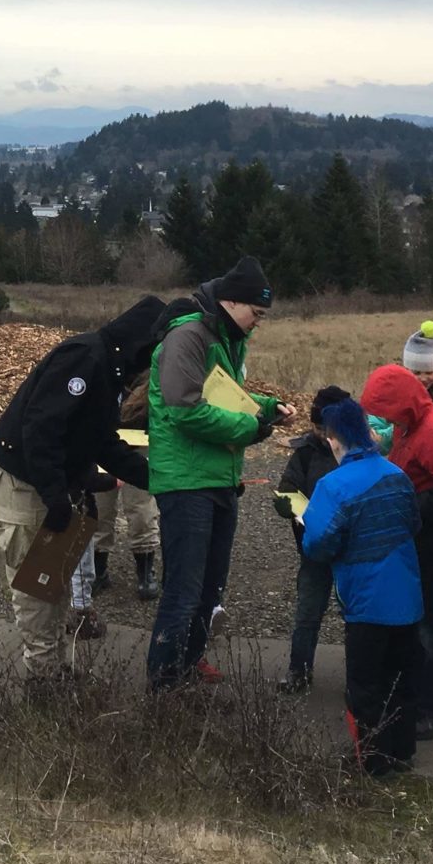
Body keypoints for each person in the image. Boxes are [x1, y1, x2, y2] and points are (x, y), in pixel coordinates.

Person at [0, 295, 166, 680]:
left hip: (51, 481)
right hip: (24, 480)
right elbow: (41, 428)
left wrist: (159, 479)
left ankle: (58, 668)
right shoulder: (85, 358)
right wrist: (55, 496)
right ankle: (43, 678)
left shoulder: (110, 370)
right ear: (144, 343)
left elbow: (102, 442)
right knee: (37, 586)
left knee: (57, 581)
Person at [144, 256, 290, 691]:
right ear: (232, 302)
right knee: (184, 590)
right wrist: (251, 428)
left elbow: (226, 395)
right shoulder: (188, 336)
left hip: (219, 478)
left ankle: (190, 663)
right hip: (186, 481)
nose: (258, 323)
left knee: (211, 587)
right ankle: (164, 684)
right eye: (256, 313)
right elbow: (186, 409)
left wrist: (266, 409)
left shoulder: (226, 337)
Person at [301, 395, 424, 777]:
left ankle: (372, 761)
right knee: (401, 679)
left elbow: (316, 544)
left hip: (365, 600)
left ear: (334, 439)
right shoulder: (396, 474)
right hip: (406, 596)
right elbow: (414, 523)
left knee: (365, 684)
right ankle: (402, 752)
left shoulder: (332, 485)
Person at [360, 363, 433, 742]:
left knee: (432, 629)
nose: (386, 419)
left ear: (402, 402)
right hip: (416, 541)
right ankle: (417, 701)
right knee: (419, 626)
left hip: (432, 546)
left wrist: (402, 507)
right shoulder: (411, 425)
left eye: (387, 410)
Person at [272, 386, 351, 693]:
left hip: (350, 551)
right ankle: (299, 670)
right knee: (307, 612)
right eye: (317, 428)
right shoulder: (305, 452)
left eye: (327, 429)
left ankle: (360, 676)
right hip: (314, 548)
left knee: (355, 616)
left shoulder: (357, 453)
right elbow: (289, 485)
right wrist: (287, 503)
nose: (321, 434)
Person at [96, 380, 162, 600]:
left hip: (142, 436)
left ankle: (145, 568)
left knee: (141, 507)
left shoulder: (153, 362)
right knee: (99, 505)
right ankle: (98, 567)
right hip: (103, 437)